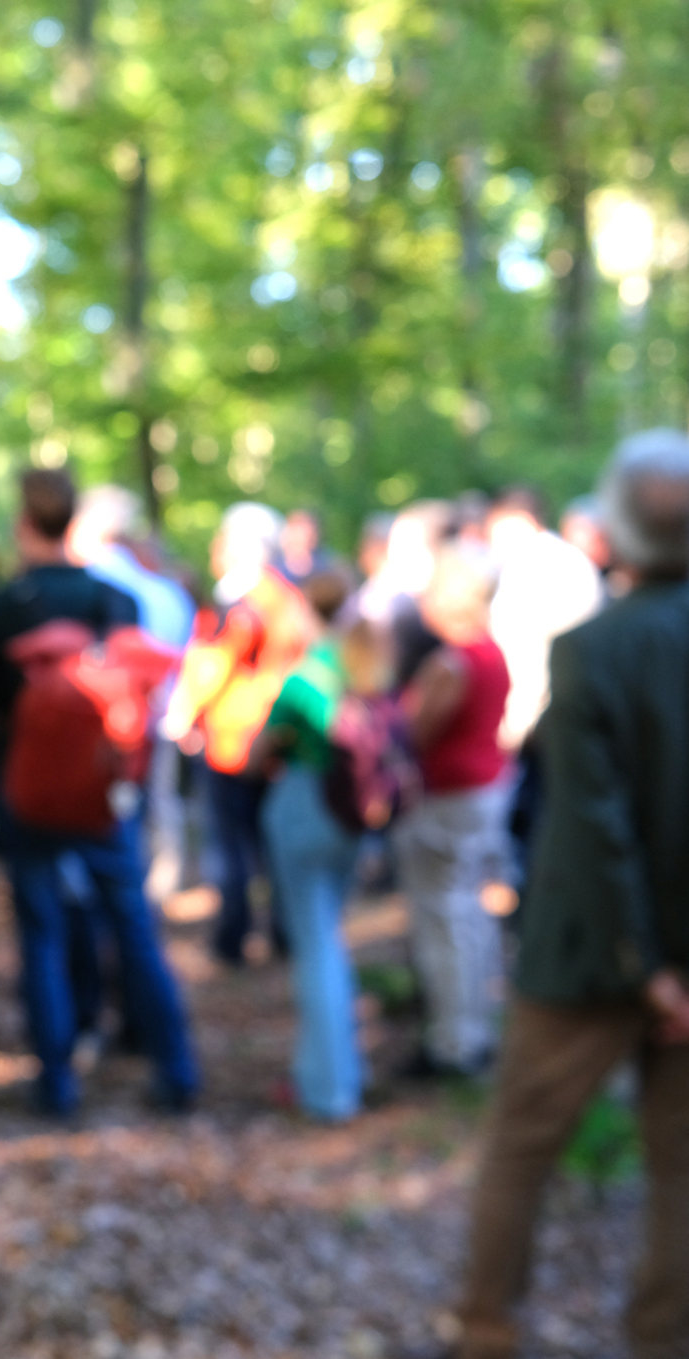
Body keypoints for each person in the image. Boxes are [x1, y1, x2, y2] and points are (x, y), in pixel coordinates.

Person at [448, 430, 689, 1359]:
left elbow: (594, 825)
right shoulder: (598, 646)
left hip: (591, 954)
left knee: (521, 1144)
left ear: (614, 532)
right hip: (649, 960)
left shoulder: (593, 651)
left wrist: (647, 966)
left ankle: (484, 1328)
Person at [0, 468, 199, 1116]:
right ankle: (176, 1068)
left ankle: (56, 1080)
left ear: (23, 523)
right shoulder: (114, 602)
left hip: (27, 793)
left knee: (41, 930)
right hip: (105, 794)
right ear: (72, 520)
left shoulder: (1, 607)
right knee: (132, 927)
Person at [249, 570, 383, 1122]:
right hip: (353, 813)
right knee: (329, 938)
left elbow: (257, 752)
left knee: (316, 946)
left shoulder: (305, 678)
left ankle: (329, 1088)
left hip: (309, 807)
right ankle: (337, 1070)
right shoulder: (366, 664)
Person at [162, 502, 315, 964]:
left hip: (236, 738)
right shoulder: (288, 597)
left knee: (231, 847)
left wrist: (183, 713)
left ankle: (234, 937)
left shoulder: (244, 602)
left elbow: (213, 663)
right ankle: (283, 933)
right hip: (276, 736)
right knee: (271, 842)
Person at [393, 545, 512, 1077]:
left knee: (445, 919)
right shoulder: (489, 652)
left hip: (450, 800)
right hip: (481, 793)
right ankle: (472, 1028)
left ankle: (454, 1040)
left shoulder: (454, 662)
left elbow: (415, 729)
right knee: (466, 915)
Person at [70, 485, 195, 902]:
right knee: (158, 803)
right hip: (160, 717)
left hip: (111, 728)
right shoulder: (165, 591)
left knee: (119, 813)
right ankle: (160, 884)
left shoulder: (93, 586)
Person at [484, 487, 603, 753]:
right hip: (578, 710)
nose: (491, 543)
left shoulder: (528, 570)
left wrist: (510, 734)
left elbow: (526, 663)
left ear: (518, 522)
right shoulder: (571, 559)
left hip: (539, 723)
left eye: (493, 530)